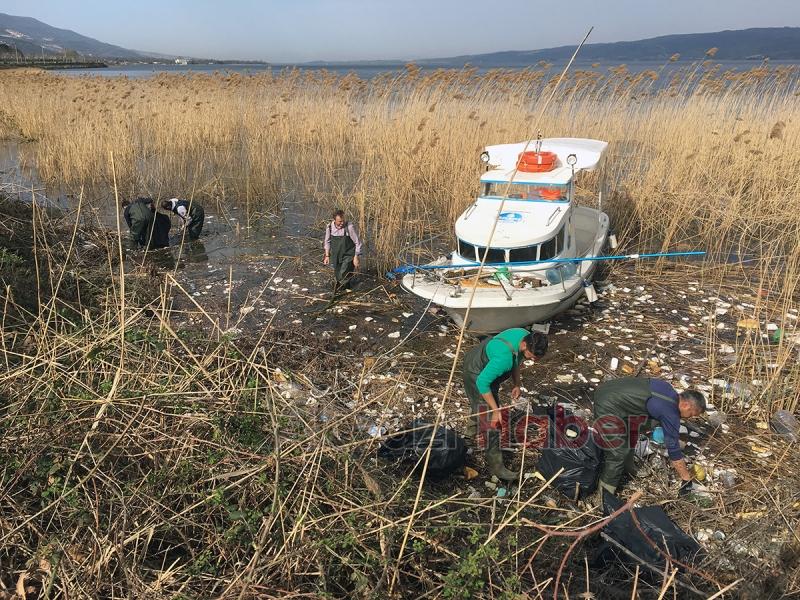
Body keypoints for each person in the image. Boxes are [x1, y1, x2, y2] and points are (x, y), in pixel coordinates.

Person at [592, 377, 706, 497]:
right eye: (691, 414)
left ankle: (628, 467)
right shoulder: (670, 413)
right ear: (686, 405)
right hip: (608, 404)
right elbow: (674, 450)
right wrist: (686, 478)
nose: (688, 418)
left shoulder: (666, 388)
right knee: (618, 454)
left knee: (637, 429)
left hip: (610, 390)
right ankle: (604, 495)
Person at [462, 328, 548, 480]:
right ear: (524, 345)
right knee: (491, 422)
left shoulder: (525, 335)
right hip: (476, 373)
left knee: (479, 405)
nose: (534, 360)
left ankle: (468, 438)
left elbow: (517, 360)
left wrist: (517, 383)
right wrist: (496, 411)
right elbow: (482, 383)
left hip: (486, 363)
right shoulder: (504, 360)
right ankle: (497, 468)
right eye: (533, 356)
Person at [323, 209, 362, 292]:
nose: (342, 223)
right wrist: (327, 256)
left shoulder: (349, 227)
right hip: (336, 255)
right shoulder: (329, 227)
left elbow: (357, 242)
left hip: (348, 255)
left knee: (343, 273)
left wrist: (356, 257)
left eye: (343, 221)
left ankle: (341, 291)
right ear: (334, 220)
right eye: (339, 221)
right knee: (338, 275)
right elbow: (327, 241)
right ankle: (346, 289)